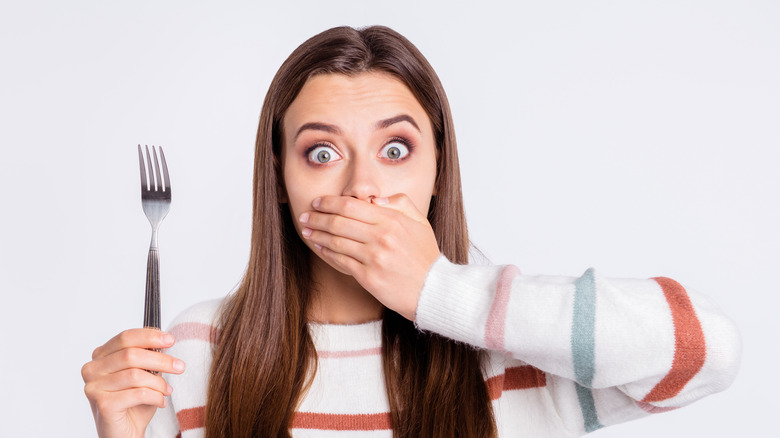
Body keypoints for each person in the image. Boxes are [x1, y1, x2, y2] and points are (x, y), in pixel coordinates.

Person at [81, 25, 741, 438]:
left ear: (437, 170)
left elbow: (708, 350)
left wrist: (440, 292)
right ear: (278, 178)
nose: (362, 187)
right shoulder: (195, 352)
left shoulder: (518, 353)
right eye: (321, 152)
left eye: (395, 150)